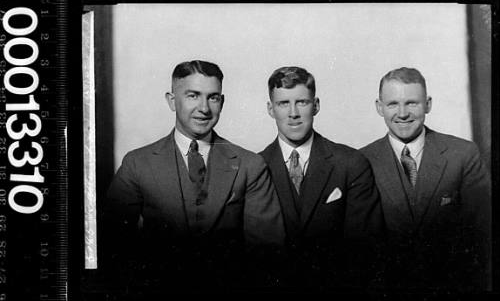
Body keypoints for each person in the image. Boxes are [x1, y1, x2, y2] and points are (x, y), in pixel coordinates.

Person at [102, 60, 285, 294]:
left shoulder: (250, 165)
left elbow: (268, 254)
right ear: (171, 101)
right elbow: (113, 245)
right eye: (193, 96)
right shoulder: (138, 163)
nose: (204, 108)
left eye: (213, 97)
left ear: (222, 102)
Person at [360, 67, 491, 292]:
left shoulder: (462, 154)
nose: (402, 113)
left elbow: (484, 233)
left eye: (412, 103)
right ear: (379, 107)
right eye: (392, 104)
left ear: (428, 104)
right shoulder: (361, 161)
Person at [259, 66, 384, 292]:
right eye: (283, 103)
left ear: (315, 106)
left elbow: (364, 251)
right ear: (270, 109)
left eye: (302, 102)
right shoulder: (255, 168)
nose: (293, 113)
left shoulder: (351, 163)